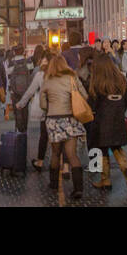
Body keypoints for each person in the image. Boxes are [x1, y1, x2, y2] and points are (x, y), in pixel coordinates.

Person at [39, 53, 90, 202]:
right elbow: (85, 96)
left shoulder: (47, 81)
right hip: (70, 119)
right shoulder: (72, 78)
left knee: (55, 154)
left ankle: (54, 184)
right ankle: (78, 189)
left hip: (54, 120)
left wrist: (51, 106)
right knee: (72, 154)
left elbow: (42, 105)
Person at [87, 55, 127, 191]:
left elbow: (92, 103)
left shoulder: (97, 81)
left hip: (101, 122)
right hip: (118, 119)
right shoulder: (121, 79)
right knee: (116, 147)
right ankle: (125, 168)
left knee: (102, 149)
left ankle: (105, 180)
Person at [17, 52, 48, 170]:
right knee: (62, 140)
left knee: (44, 136)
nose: (42, 63)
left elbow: (30, 91)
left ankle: (40, 161)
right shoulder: (64, 74)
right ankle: (65, 167)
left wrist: (21, 104)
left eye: (44, 61)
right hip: (63, 112)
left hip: (46, 110)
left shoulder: (41, 75)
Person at [6, 46, 35, 133]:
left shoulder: (11, 63)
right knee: (25, 109)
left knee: (17, 109)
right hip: (26, 90)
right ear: (23, 52)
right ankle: (24, 128)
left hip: (14, 91)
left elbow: (9, 75)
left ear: (14, 52)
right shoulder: (28, 61)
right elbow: (31, 73)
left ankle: (19, 127)